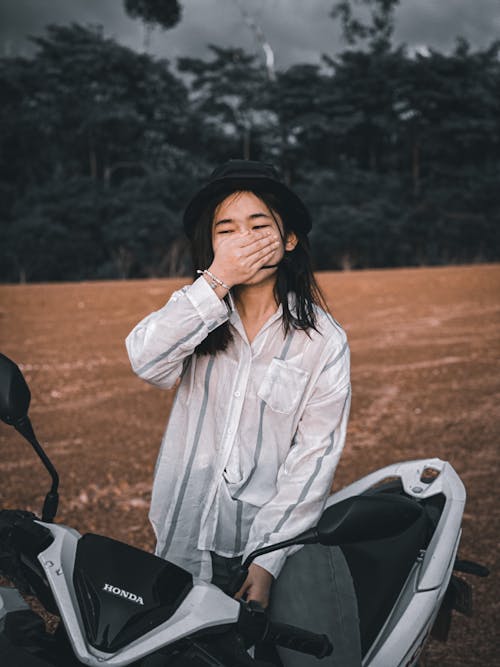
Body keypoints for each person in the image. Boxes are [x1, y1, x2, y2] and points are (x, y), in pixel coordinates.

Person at [125, 160, 361, 666]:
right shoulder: (195, 317)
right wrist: (216, 281)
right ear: (211, 246)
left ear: (289, 239)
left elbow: (313, 459)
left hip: (269, 542)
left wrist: (268, 561)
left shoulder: (323, 342)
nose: (243, 239)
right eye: (226, 229)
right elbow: (144, 359)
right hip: (186, 540)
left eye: (259, 225)